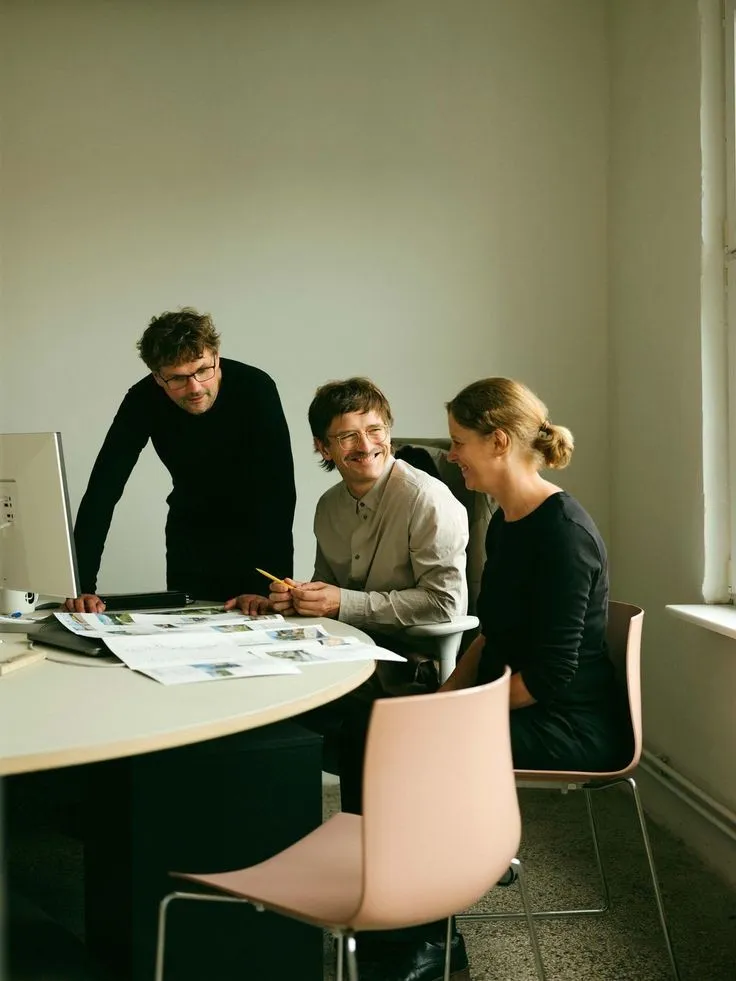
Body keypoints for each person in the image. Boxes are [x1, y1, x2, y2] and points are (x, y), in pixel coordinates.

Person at [342, 377, 632, 981]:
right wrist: (444, 699)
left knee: (411, 755)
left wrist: (452, 720)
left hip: (570, 722)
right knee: (371, 732)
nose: (451, 455)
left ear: (498, 441)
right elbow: (489, 635)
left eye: (459, 441)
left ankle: (428, 942)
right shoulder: (507, 520)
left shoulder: (563, 535)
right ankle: (397, 905)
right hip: (514, 701)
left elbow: (549, 678)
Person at [66, 307, 295, 613]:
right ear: (157, 377)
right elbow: (103, 490)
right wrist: (80, 586)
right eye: (177, 378)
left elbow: (278, 492)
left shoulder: (256, 388)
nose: (195, 387)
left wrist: (266, 587)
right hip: (189, 538)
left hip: (257, 539)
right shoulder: (142, 399)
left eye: (203, 369)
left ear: (215, 354)